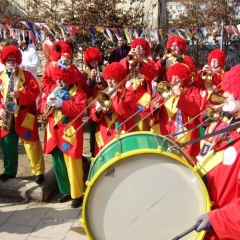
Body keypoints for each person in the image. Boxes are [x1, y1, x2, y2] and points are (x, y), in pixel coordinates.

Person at [195, 64, 240, 239]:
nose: (225, 94)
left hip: (222, 230)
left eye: (232, 90)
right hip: (204, 218)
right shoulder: (222, 125)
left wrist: (217, 220)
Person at [39, 65, 87, 208]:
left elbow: (81, 110)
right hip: (53, 134)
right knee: (58, 164)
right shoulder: (53, 90)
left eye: (63, 79)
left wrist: (62, 104)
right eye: (58, 79)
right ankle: (65, 190)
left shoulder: (78, 93)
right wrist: (46, 103)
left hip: (69, 135)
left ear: (69, 79)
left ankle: (77, 194)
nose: (59, 82)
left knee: (73, 165)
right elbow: (42, 107)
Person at [0, 45, 45, 184]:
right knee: (8, 144)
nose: (11, 63)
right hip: (7, 116)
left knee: (31, 143)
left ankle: (38, 172)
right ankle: (9, 171)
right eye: (8, 60)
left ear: (18, 60)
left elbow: (35, 92)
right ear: (4, 61)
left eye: (13, 60)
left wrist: (20, 95)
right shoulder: (1, 77)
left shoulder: (26, 75)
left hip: (24, 114)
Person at [149, 62, 201, 158]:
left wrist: (181, 94)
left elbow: (195, 110)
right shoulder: (166, 89)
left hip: (183, 140)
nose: (173, 80)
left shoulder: (193, 91)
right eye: (172, 77)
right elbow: (152, 107)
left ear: (184, 79)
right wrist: (155, 107)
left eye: (177, 78)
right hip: (162, 134)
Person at [89, 62, 137, 155]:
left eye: (112, 79)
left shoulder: (129, 94)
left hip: (121, 133)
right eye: (108, 79)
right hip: (103, 135)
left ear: (119, 79)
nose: (109, 82)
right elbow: (93, 117)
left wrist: (114, 96)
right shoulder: (103, 93)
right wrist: (97, 111)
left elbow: (126, 113)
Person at [120, 38, 159, 131]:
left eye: (141, 48)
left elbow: (153, 73)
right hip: (128, 97)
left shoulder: (150, 62)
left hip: (143, 99)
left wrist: (141, 61)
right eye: (136, 47)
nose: (138, 49)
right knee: (127, 126)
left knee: (141, 128)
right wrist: (127, 58)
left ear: (146, 51)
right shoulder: (129, 59)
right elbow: (119, 70)